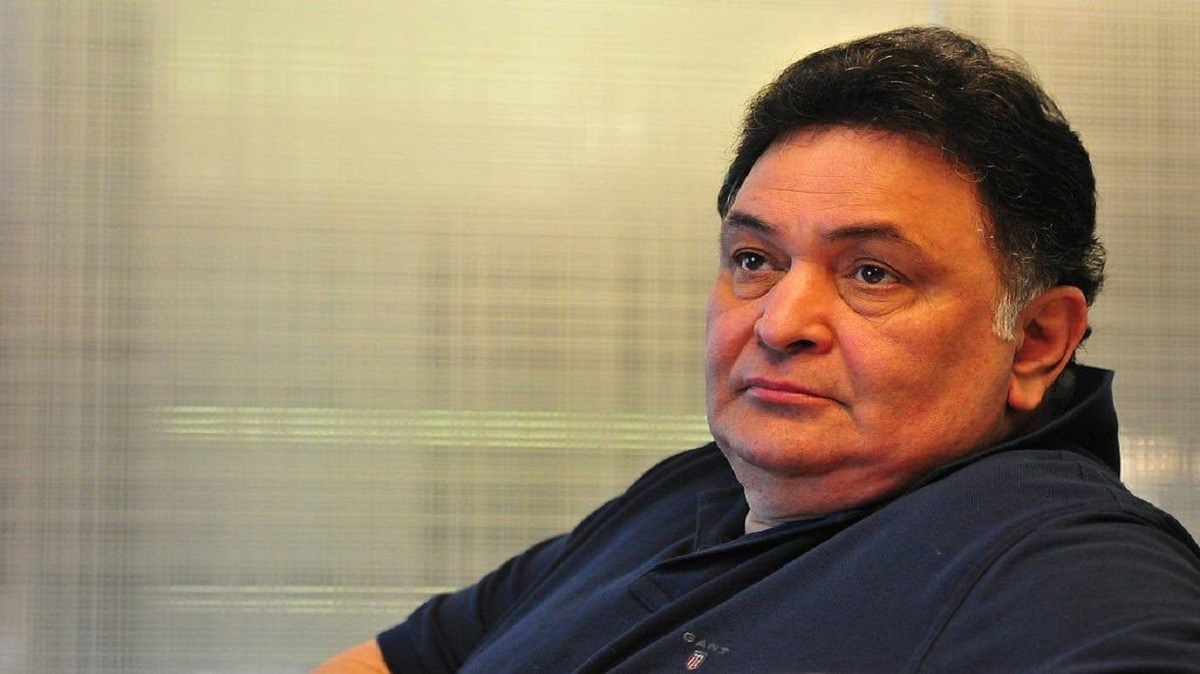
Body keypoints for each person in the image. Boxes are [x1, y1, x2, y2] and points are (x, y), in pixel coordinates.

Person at [316, 26, 1200, 672]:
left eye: (872, 274)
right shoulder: (692, 492)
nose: (779, 323)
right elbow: (399, 659)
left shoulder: (1062, 566)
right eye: (754, 260)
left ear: (1037, 341)